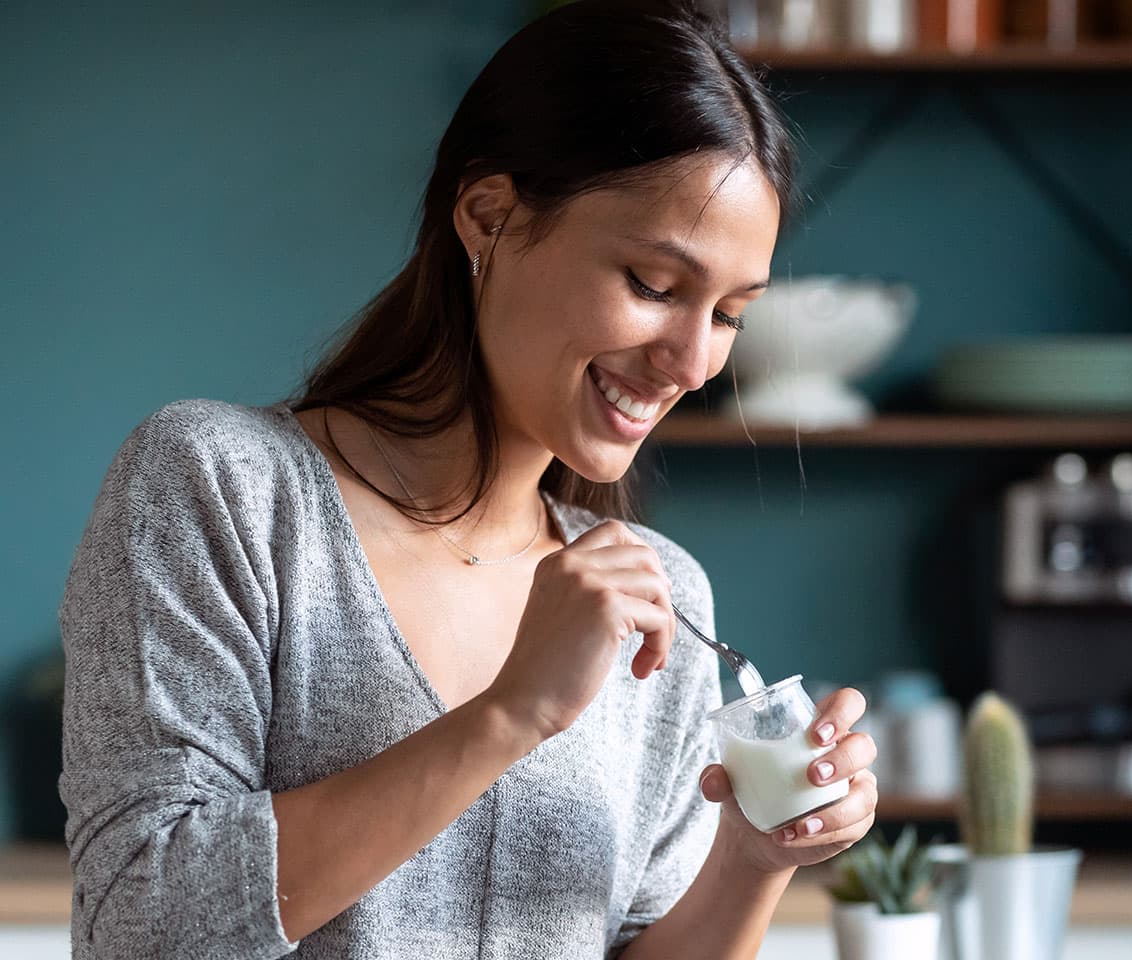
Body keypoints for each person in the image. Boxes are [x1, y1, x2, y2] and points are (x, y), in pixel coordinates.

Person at [58, 1, 878, 957]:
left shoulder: (658, 598)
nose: (695, 362)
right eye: (655, 286)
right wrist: (511, 713)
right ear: (488, 216)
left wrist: (750, 858)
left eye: (730, 313)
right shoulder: (220, 490)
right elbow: (141, 926)